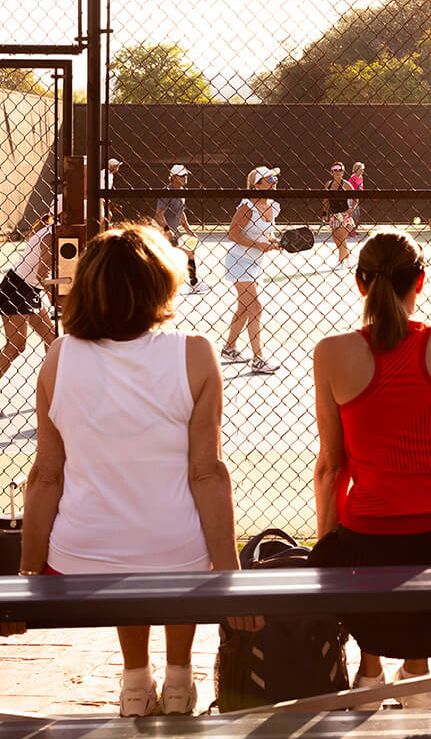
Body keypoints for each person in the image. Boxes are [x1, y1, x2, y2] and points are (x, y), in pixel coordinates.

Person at [16, 225, 259, 711]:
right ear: (160, 283)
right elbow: (207, 473)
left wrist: (28, 571)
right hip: (176, 552)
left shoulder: (59, 356)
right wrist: (231, 577)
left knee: (126, 541)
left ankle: (133, 681)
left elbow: (46, 475)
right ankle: (176, 679)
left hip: (81, 556)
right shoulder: (194, 352)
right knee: (171, 541)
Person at [308, 228, 431, 708]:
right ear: (420, 282)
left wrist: (330, 550)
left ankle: (371, 671)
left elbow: (332, 468)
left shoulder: (331, 352)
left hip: (367, 546)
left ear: (360, 283)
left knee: (365, 549)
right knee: (403, 548)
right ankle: (415, 672)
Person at [222, 166, 281, 375]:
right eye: (269, 178)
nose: (274, 181)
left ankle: (229, 348)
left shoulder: (273, 205)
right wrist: (258, 245)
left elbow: (267, 234)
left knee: (244, 308)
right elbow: (232, 234)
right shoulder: (247, 206)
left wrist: (273, 243)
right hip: (239, 260)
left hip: (257, 263)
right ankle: (258, 359)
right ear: (257, 184)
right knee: (255, 307)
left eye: (275, 178)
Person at [0, 214, 56, 382]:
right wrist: (57, 297)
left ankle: (53, 389)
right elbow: (41, 275)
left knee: (53, 340)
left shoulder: (59, 233)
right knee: (16, 346)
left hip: (31, 290)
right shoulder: (51, 235)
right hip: (16, 289)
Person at [156, 163, 207, 294]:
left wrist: (189, 230)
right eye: (182, 176)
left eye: (186, 175)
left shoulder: (182, 191)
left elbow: (181, 212)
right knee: (161, 259)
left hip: (173, 231)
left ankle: (193, 283)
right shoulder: (167, 192)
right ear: (173, 177)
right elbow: (159, 213)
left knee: (189, 252)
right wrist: (167, 232)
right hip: (159, 231)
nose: (185, 178)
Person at [322, 162, 356, 270]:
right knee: (337, 240)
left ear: (343, 172)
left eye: (340, 170)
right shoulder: (328, 184)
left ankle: (340, 262)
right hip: (333, 215)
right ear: (331, 172)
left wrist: (352, 208)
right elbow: (325, 201)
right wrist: (324, 214)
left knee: (341, 238)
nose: (337, 172)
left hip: (344, 215)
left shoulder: (346, 184)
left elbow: (356, 197)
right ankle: (347, 258)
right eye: (335, 170)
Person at [349, 161, 366, 231]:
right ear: (356, 170)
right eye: (360, 169)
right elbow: (351, 189)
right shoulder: (352, 178)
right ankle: (351, 230)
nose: (362, 171)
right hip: (351, 198)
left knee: (357, 214)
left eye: (362, 169)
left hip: (357, 198)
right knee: (352, 214)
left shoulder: (361, 177)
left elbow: (361, 187)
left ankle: (354, 229)